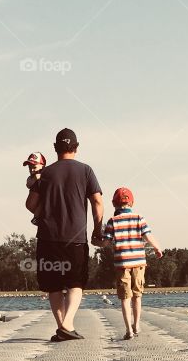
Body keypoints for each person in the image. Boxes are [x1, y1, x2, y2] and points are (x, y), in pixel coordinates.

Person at [25, 127, 103, 341]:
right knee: (76, 283)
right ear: (76, 147)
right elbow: (97, 201)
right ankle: (67, 324)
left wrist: (46, 209)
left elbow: (30, 204)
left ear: (55, 148)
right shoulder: (86, 170)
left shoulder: (46, 173)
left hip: (48, 237)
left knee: (54, 285)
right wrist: (98, 230)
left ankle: (62, 327)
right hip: (76, 238)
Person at [101, 187, 162, 338]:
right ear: (132, 202)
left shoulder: (112, 221)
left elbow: (106, 243)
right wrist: (157, 248)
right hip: (139, 262)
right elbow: (148, 236)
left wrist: (96, 241)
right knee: (137, 295)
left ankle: (128, 329)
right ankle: (137, 324)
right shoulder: (139, 218)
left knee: (124, 297)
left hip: (122, 264)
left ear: (114, 204)